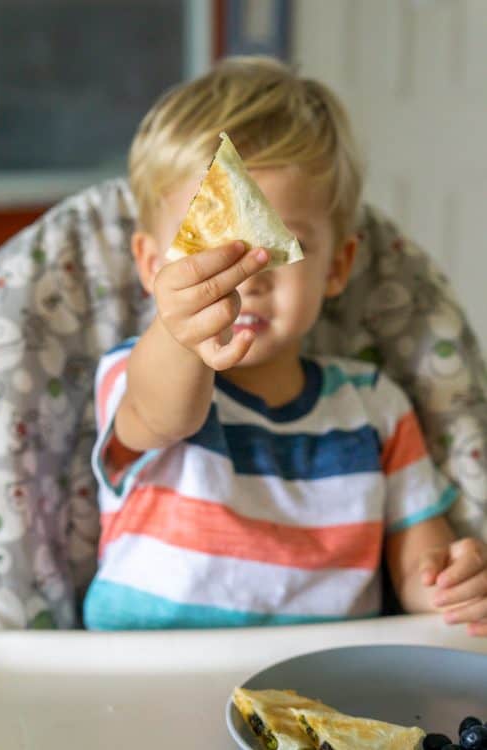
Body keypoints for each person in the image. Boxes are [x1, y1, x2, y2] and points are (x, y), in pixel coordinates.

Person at [83, 56, 487, 634]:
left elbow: (415, 562)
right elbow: (162, 412)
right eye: (214, 249)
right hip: (140, 683)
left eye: (281, 247)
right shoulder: (136, 372)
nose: (246, 277)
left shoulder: (377, 407)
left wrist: (452, 582)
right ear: (152, 266)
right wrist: (180, 328)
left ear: (336, 266)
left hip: (324, 691)